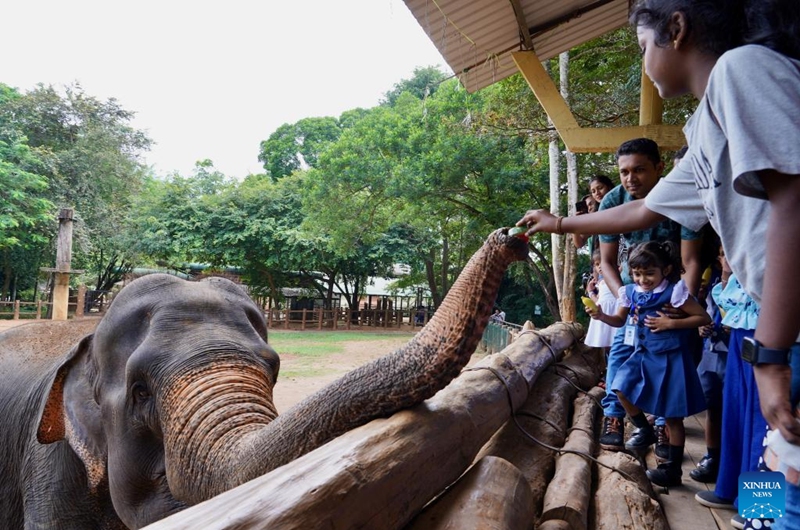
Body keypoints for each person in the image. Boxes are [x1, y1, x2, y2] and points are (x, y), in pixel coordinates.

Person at [517, 1, 800, 526]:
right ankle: (752, 512)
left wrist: (774, 357)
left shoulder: (743, 69)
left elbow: (793, 203)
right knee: (766, 446)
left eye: (644, 46)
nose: (644, 60)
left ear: (677, 28)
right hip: (763, 329)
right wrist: (559, 223)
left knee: (791, 479)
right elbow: (643, 209)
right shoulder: (706, 121)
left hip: (784, 335)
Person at [590, 138, 703, 455]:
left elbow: (691, 260)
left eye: (639, 169)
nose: (630, 179)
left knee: (673, 364)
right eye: (624, 171)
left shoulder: (681, 198)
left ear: (659, 167)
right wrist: (625, 297)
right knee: (621, 357)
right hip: (634, 293)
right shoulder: (612, 201)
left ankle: (664, 425)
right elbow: (608, 263)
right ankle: (614, 418)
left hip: (672, 293)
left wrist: (681, 304)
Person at [587, 241, 711, 486]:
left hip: (671, 357)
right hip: (644, 354)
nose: (643, 279)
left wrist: (671, 324)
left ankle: (672, 470)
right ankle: (644, 429)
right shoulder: (630, 292)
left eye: (649, 273)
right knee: (620, 388)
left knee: (672, 417)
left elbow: (703, 317)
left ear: (664, 270)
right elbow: (619, 321)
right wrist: (601, 316)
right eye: (637, 274)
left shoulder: (675, 291)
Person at [583, 249, 617, 354]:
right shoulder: (600, 282)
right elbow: (600, 300)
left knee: (615, 341)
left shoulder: (617, 278)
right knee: (606, 343)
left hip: (614, 312)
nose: (600, 267)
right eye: (597, 264)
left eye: (602, 263)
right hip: (603, 312)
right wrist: (590, 292)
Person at [572, 175, 615, 252]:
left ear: (609, 186)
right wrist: (575, 224)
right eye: (593, 191)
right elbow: (579, 243)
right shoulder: (595, 218)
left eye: (600, 188)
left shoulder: (621, 203)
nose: (597, 193)